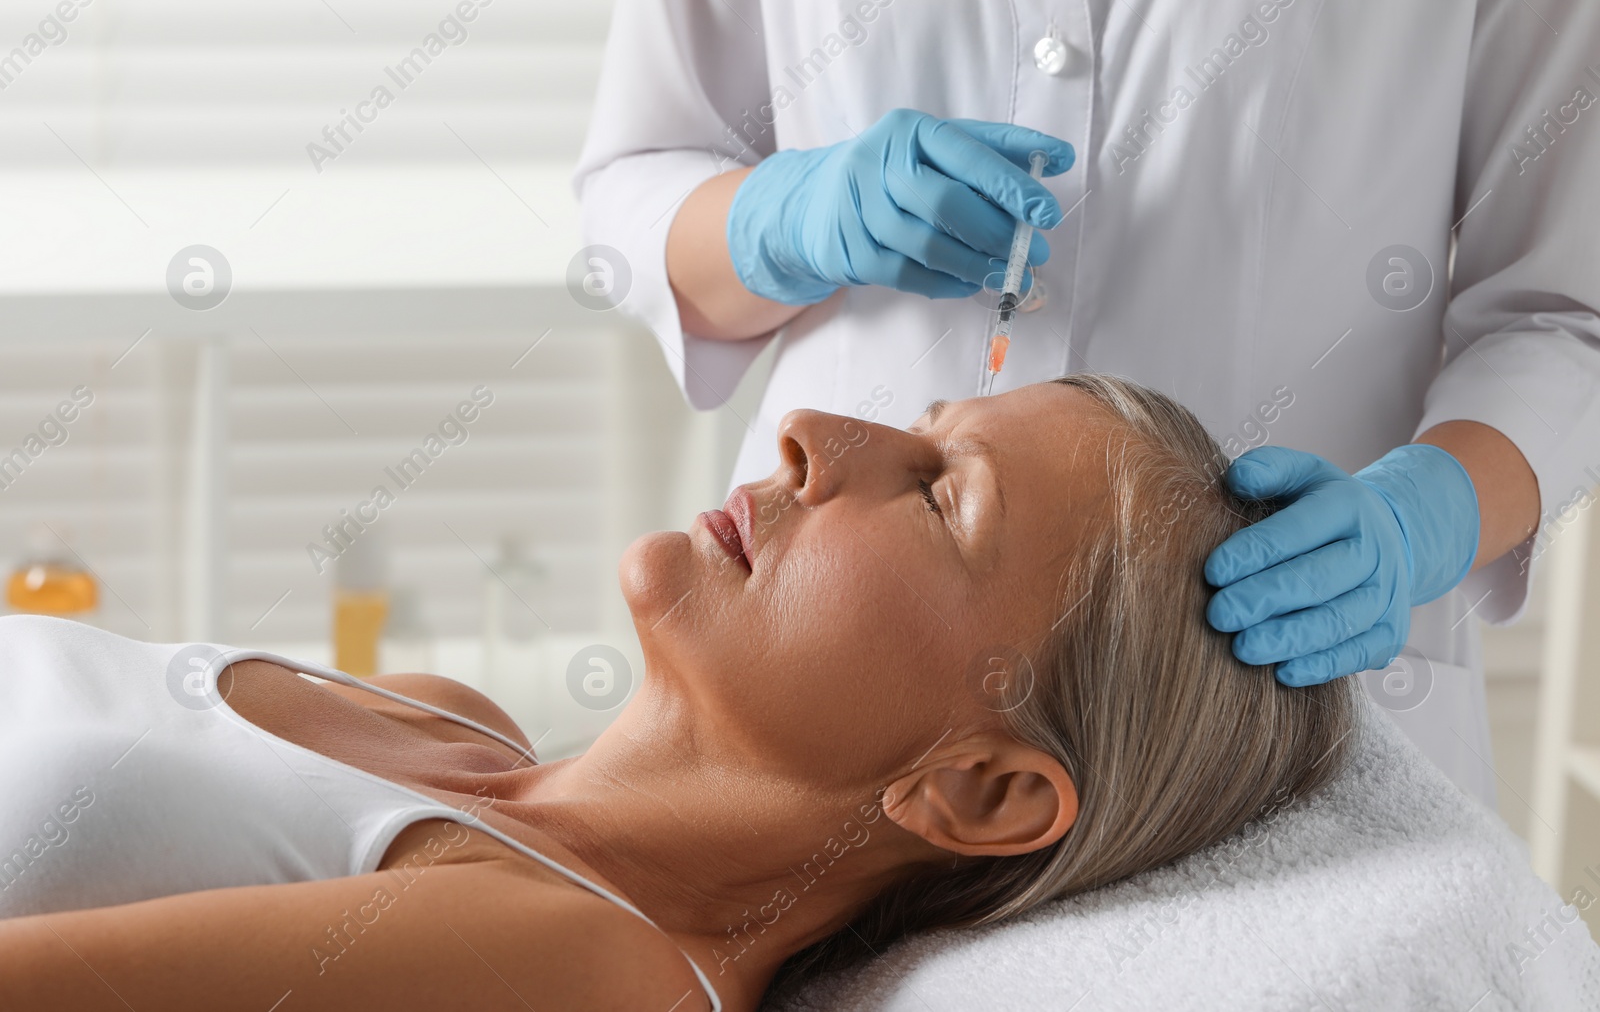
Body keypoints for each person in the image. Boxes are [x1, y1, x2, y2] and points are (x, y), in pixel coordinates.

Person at [573, 0, 1600, 805]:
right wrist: (783, 222)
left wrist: (1426, 518)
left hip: (1278, 698)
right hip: (810, 669)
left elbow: (1567, 316)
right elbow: (636, 179)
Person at [0, 376, 1353, 1012]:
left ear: (976, 786)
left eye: (940, 492)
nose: (816, 430)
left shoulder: (591, 971)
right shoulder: (443, 711)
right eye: (924, 421)